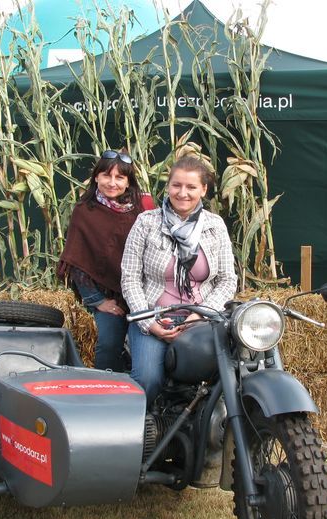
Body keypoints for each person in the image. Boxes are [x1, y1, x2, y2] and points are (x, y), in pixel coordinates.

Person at [121, 156, 237, 403]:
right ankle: (150, 433)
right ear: (168, 186)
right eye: (176, 185)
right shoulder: (146, 223)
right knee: (148, 380)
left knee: (228, 375)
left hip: (201, 319)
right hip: (155, 318)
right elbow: (130, 279)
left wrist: (202, 314)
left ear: (203, 190)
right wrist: (150, 323)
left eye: (191, 187)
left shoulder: (215, 226)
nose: (182, 193)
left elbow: (227, 280)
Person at [57, 150, 149, 372]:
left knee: (146, 351)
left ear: (128, 182)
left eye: (120, 177)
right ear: (96, 177)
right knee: (107, 345)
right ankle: (107, 392)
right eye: (107, 176)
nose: (112, 183)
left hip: (144, 294)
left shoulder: (143, 208)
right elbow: (78, 261)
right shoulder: (84, 211)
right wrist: (98, 301)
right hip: (110, 297)